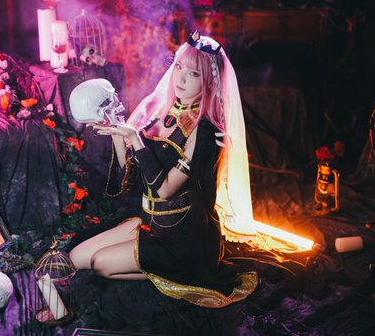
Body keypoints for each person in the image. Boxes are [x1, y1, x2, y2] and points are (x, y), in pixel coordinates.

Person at [69, 32, 258, 307]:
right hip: (151, 222)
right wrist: (117, 132)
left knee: (99, 264)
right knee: (75, 257)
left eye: (193, 73)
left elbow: (165, 189)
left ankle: (175, 274)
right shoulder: (162, 109)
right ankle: (152, 264)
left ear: (208, 81)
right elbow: (129, 174)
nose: (181, 78)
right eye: (178, 67)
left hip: (182, 238)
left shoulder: (205, 132)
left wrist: (135, 138)